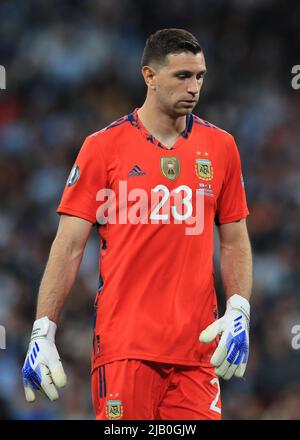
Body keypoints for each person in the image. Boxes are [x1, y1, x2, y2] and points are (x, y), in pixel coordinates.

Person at [22, 28, 252, 420]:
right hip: (124, 349)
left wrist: (240, 308)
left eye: (200, 76)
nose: (194, 86)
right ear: (149, 76)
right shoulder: (102, 147)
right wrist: (44, 329)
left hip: (196, 353)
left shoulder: (222, 147)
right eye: (182, 76)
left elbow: (234, 240)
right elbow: (68, 245)